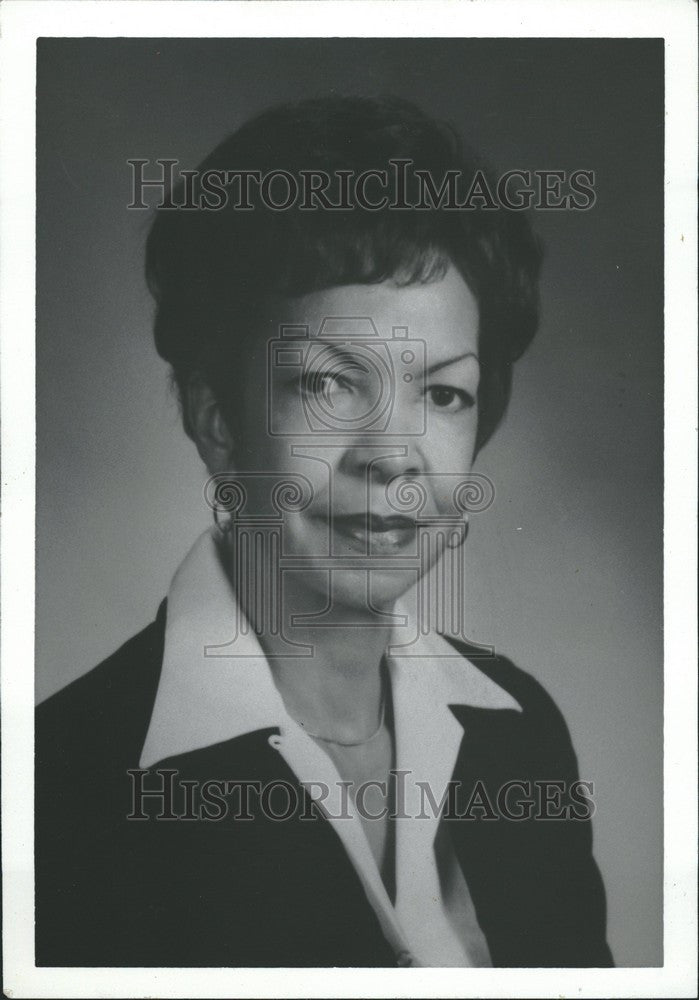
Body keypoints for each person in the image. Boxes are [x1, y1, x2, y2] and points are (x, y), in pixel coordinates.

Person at [35, 95, 613, 968]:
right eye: (328, 384)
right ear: (217, 416)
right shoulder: (57, 787)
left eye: (443, 393)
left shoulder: (522, 730)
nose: (393, 457)